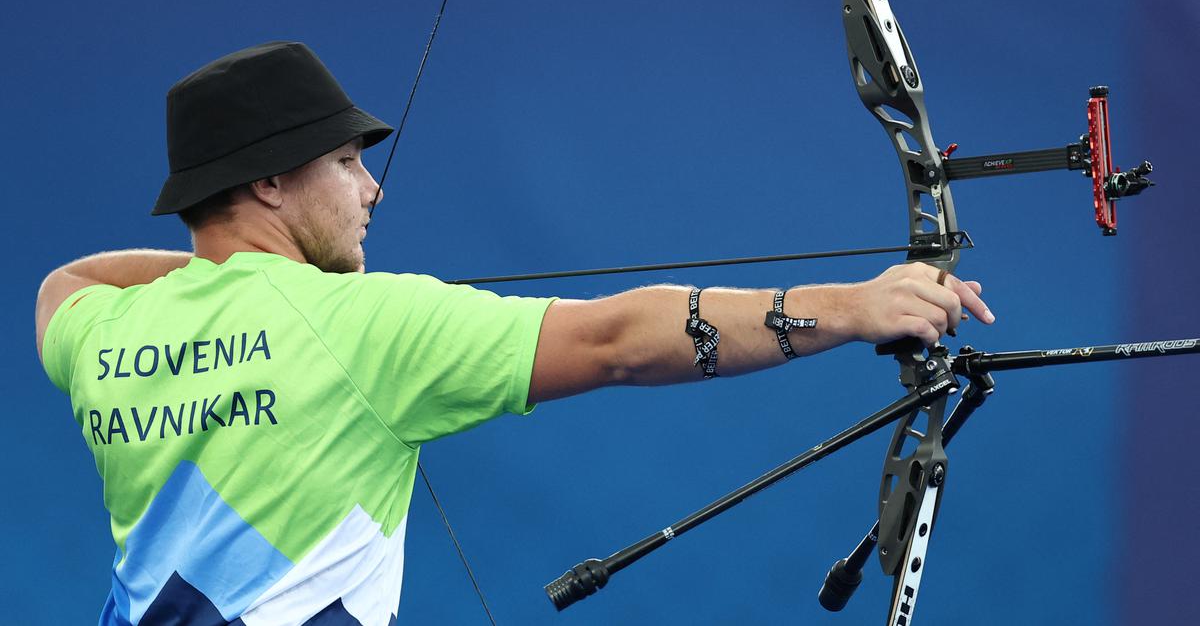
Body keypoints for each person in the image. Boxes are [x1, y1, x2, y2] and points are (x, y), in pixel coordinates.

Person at [34, 41, 994, 626]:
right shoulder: (362, 325)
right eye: (342, 160)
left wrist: (222, 282)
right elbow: (621, 337)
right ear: (269, 183)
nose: (371, 188)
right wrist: (857, 307)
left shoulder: (102, 332)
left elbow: (62, 280)